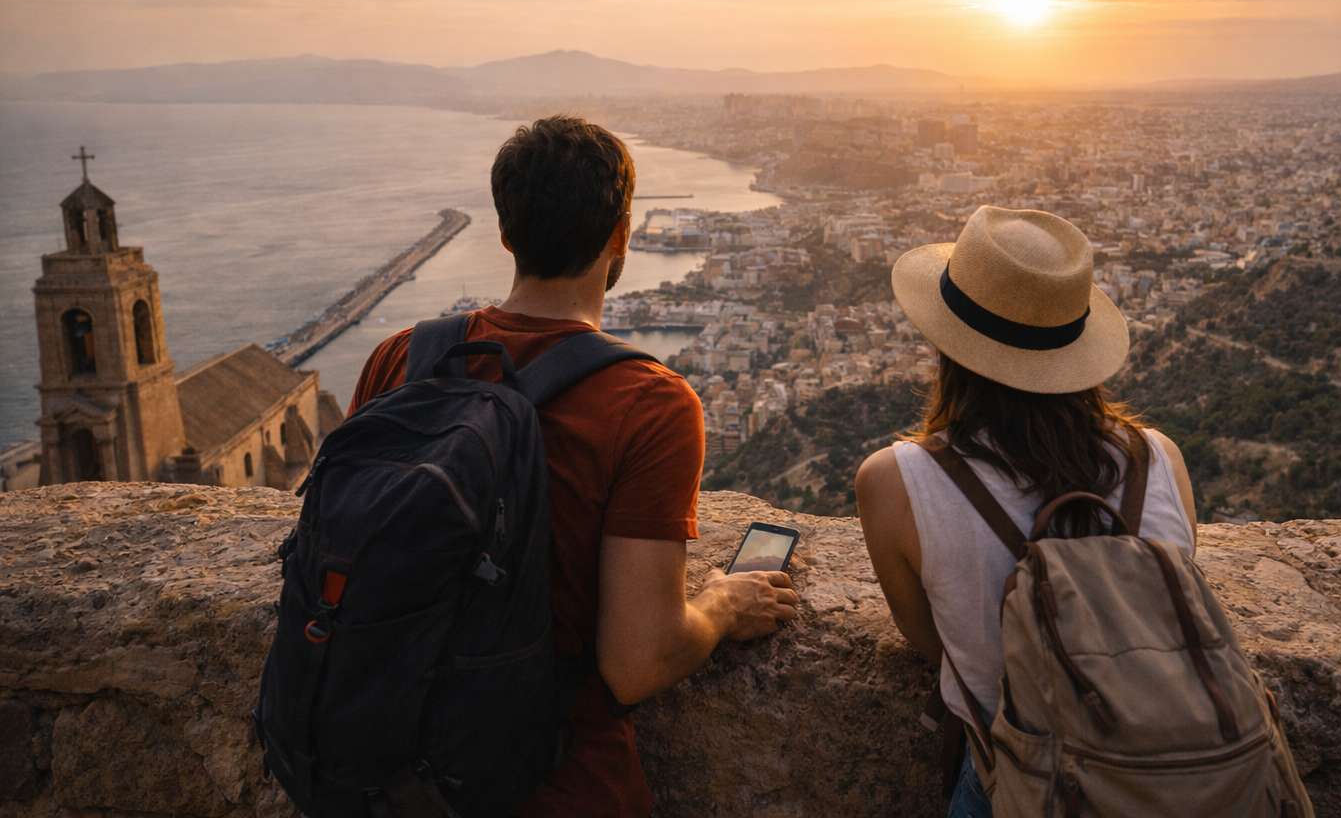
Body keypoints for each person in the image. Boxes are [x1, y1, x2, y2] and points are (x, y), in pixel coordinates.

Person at [349, 116, 799, 818]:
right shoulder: (650, 403)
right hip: (551, 783)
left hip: (375, 762)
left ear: (505, 232)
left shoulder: (401, 356)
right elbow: (638, 660)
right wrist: (722, 602)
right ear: (622, 234)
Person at [854, 207, 1197, 818]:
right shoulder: (1158, 460)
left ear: (946, 343)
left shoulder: (894, 481)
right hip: (1177, 777)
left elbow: (932, 640)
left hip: (1016, 783)